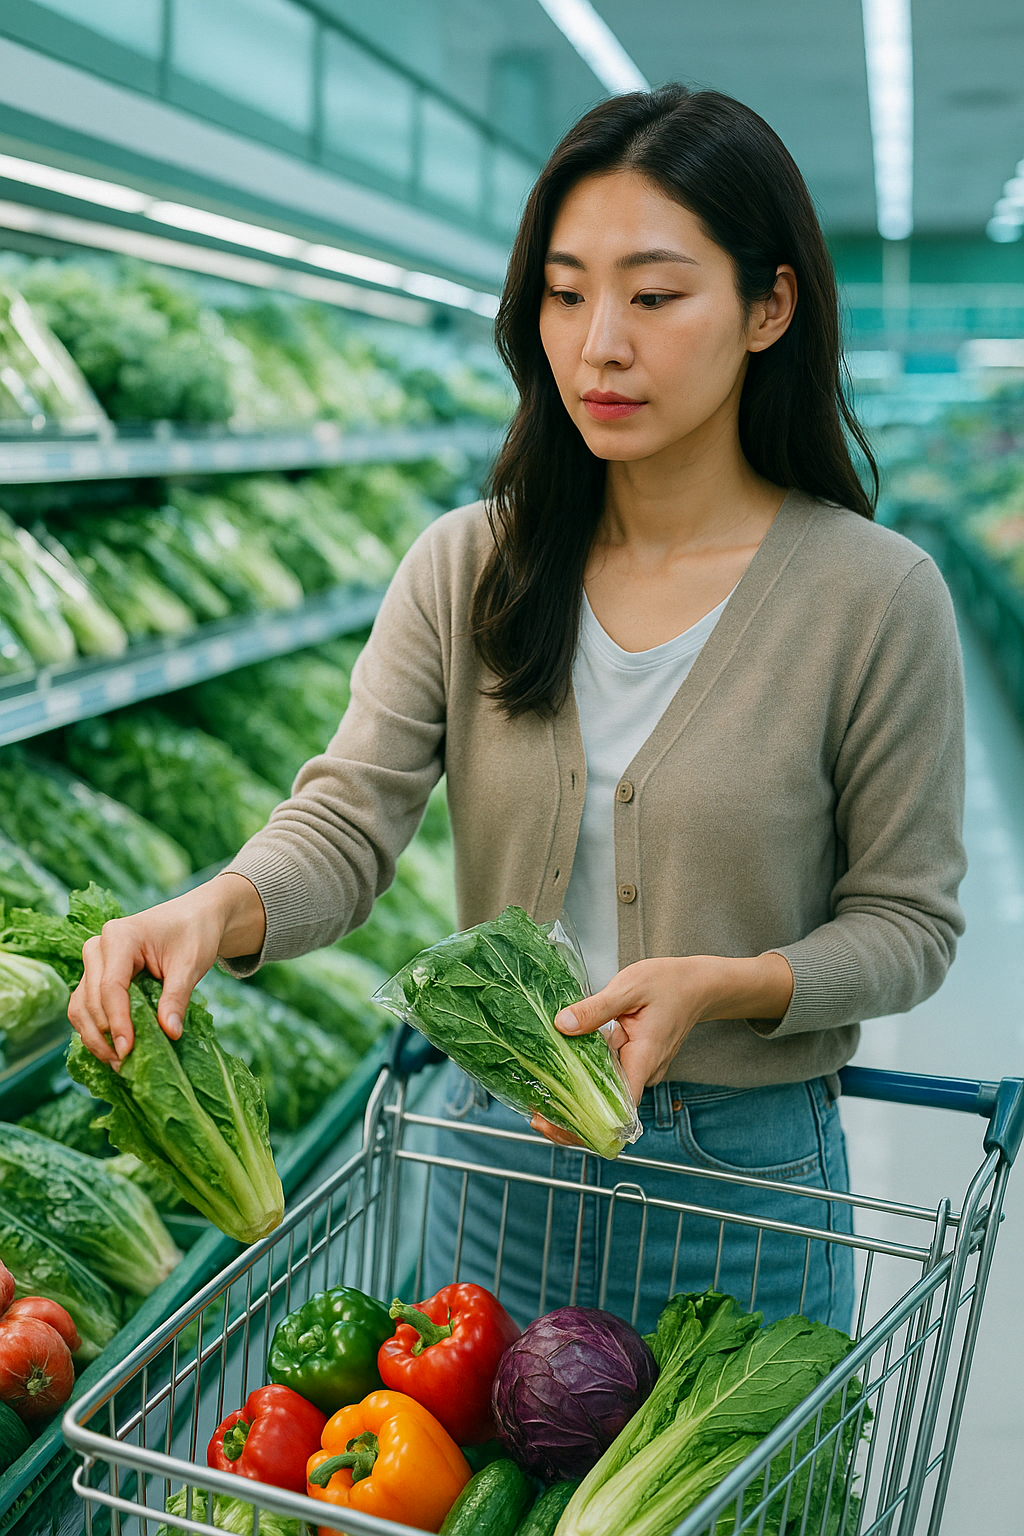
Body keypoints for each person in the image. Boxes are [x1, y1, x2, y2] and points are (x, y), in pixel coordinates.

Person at [70, 85, 966, 1336]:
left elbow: (906, 924)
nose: (600, 342)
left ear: (769, 306)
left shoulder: (874, 599)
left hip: (744, 1200)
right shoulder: (466, 565)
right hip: (494, 1174)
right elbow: (347, 822)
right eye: (563, 292)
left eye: (653, 297)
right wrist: (217, 909)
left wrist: (729, 983)